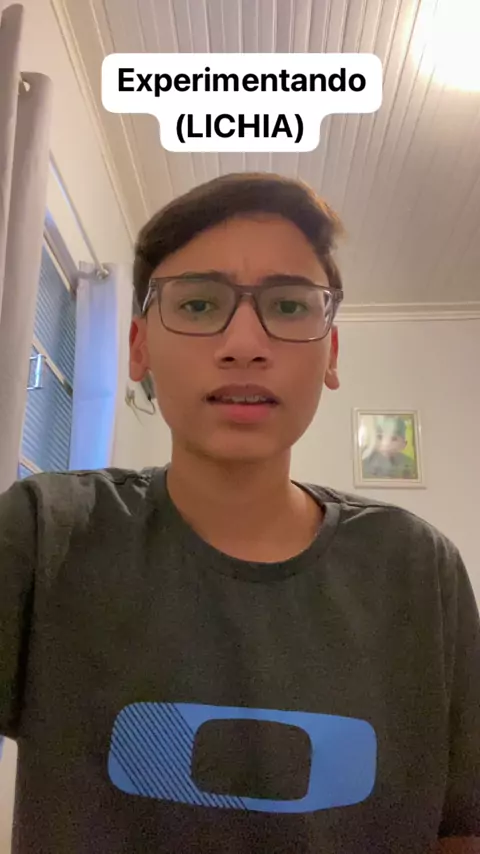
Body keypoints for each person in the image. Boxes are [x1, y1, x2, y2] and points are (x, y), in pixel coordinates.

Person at [0, 173, 479, 854]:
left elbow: (460, 828)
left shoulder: (417, 568)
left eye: (288, 306)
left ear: (331, 353)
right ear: (138, 348)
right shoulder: (45, 533)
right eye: (199, 304)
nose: (245, 344)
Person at [361, 415, 418, 480]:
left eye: (393, 439)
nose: (385, 444)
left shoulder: (409, 463)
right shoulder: (365, 461)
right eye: (380, 437)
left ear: (403, 444)